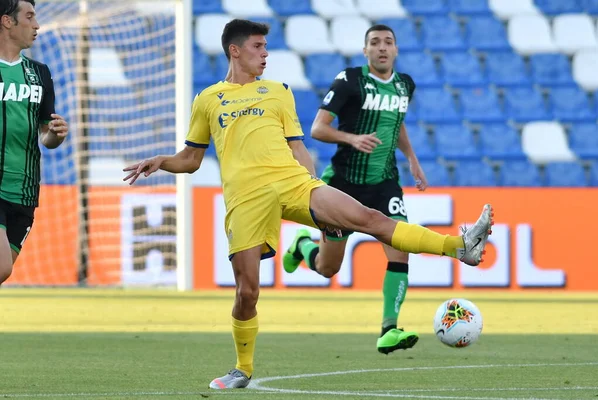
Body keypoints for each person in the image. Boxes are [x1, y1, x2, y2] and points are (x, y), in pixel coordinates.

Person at [123, 19, 493, 390]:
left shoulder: (278, 92)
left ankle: (459, 246)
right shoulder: (207, 99)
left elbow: (298, 147)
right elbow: (191, 159)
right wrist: (162, 160)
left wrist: (316, 194)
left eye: (266, 47)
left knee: (369, 218)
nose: (265, 53)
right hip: (246, 198)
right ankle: (242, 368)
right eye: (257, 47)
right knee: (247, 292)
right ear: (235, 51)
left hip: (293, 182)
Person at [283, 24, 428, 355]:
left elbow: (397, 121)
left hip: (385, 183)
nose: (381, 47)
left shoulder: (405, 85)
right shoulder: (349, 80)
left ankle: (389, 329)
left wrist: (413, 159)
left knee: (400, 246)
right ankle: (303, 246)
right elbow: (318, 128)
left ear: (396, 50)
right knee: (327, 268)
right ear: (365, 51)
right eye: (374, 43)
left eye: (388, 42)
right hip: (343, 185)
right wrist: (351, 138)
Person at [0, 0, 69, 285]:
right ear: (7, 21)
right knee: (2, 266)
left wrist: (55, 133)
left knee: (4, 270)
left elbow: (45, 135)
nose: (37, 24)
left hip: (24, 190)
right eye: (29, 16)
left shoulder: (40, 73)